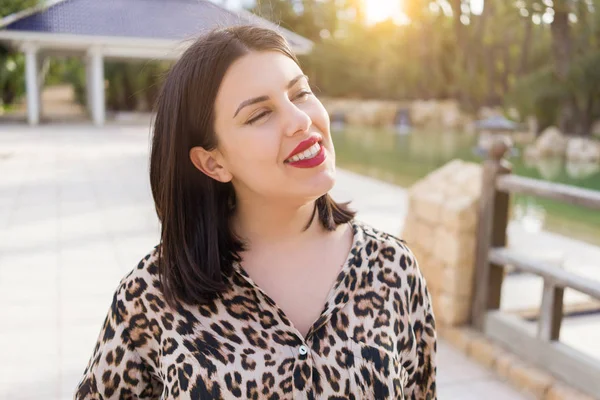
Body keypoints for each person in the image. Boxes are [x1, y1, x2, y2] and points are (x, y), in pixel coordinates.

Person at [75, 25, 437, 400]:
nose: (299, 119)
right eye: (260, 114)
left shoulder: (392, 267)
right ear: (213, 163)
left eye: (301, 93)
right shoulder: (151, 293)